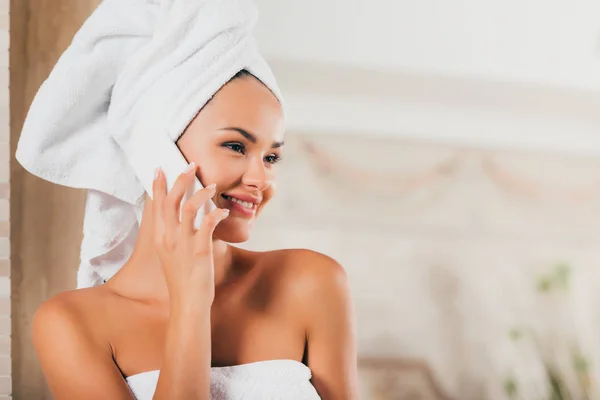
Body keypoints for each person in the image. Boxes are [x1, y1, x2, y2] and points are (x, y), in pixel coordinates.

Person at [17, 1, 359, 399]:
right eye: (235, 146)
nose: (260, 179)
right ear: (157, 152)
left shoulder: (311, 283)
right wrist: (190, 305)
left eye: (271, 157)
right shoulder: (72, 324)